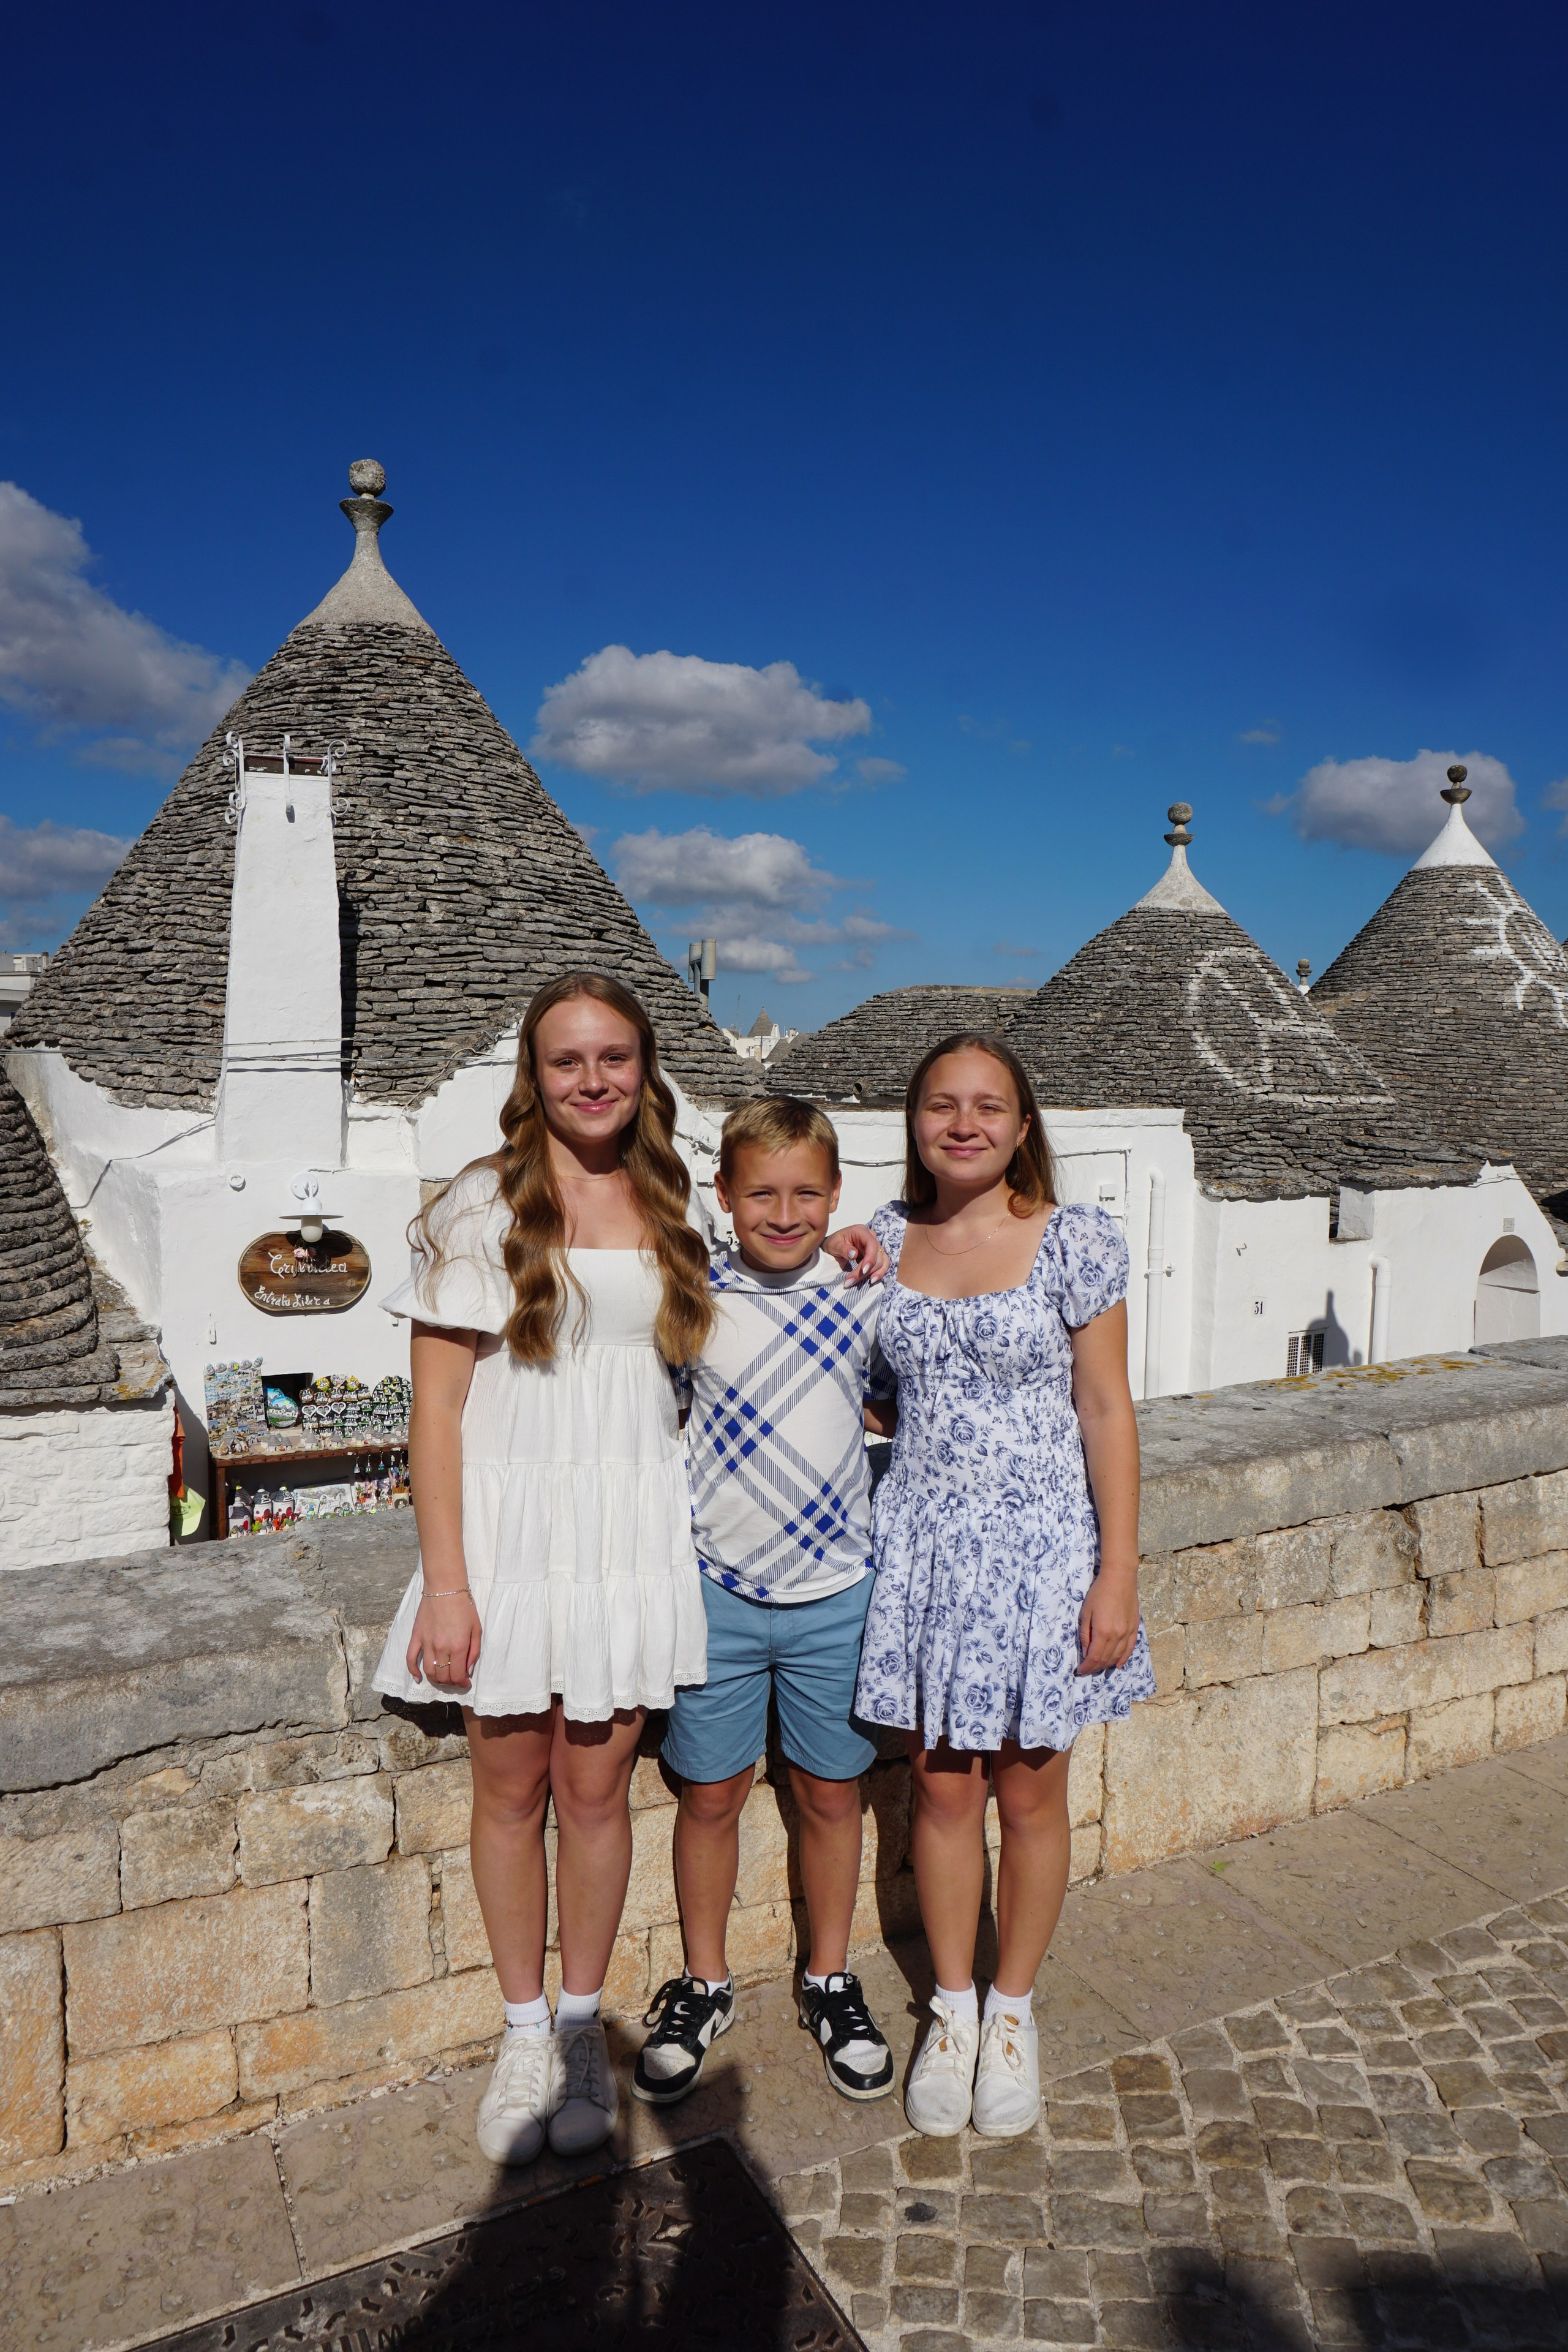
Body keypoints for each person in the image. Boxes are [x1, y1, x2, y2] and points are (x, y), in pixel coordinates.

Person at [371, 973, 883, 2169]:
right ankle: (517, 2038)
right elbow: (435, 1413)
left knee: (595, 1799)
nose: (592, 1079)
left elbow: (782, 1244)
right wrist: (447, 1584)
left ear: (643, 1071)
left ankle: (576, 2035)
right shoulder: (481, 1206)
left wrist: (865, 1236)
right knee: (508, 1795)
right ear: (533, 1077)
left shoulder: (672, 1211)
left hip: (628, 1528)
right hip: (508, 1533)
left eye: (612, 1058)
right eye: (566, 1061)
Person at [854, 1033, 1155, 2139]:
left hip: (1043, 1554)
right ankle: (951, 2008)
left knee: (1029, 1795)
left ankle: (1014, 2009)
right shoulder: (880, 1243)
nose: (965, 1123)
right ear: (915, 1122)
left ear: (1025, 1127)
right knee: (940, 1791)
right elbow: (861, 1381)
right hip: (928, 1551)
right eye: (942, 1104)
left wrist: (1116, 1572)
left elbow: (1108, 1411)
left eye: (989, 1106)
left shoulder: (1075, 1242)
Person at [633, 1097, 898, 2109]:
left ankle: (829, 1977)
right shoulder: (690, 1290)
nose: (783, 1212)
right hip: (720, 1592)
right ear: (724, 1196)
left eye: (806, 1194)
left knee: (833, 1794)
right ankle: (705, 1983)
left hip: (838, 1592)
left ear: (836, 1196)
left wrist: (863, 1240)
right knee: (710, 1796)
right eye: (761, 1193)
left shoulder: (864, 1289)